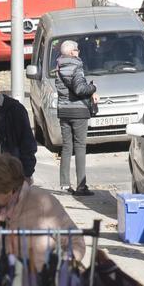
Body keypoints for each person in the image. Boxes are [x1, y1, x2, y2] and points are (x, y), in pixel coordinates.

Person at [0, 154, 84, 268]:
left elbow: (76, 241)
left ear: (7, 189)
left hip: (43, 277)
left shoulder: (42, 202)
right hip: (9, 278)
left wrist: (60, 268)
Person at [54, 39, 97, 196]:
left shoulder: (58, 67)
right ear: (72, 52)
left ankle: (65, 185)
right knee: (80, 146)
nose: (79, 52)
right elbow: (79, 89)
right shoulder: (77, 66)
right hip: (78, 111)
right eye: (77, 49)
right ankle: (81, 186)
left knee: (66, 147)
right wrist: (93, 87)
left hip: (64, 111)